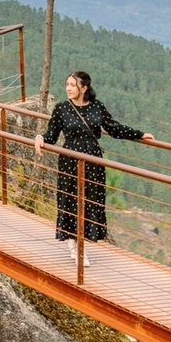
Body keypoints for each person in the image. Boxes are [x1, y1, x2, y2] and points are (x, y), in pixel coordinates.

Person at [41, 69, 145, 245]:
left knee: (91, 199)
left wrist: (139, 134)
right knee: (71, 197)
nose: (68, 88)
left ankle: (84, 242)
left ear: (84, 88)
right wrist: (40, 138)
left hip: (93, 160)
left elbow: (114, 128)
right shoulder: (61, 108)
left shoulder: (97, 107)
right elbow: (51, 135)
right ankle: (72, 244)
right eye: (67, 84)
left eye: (72, 85)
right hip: (70, 159)